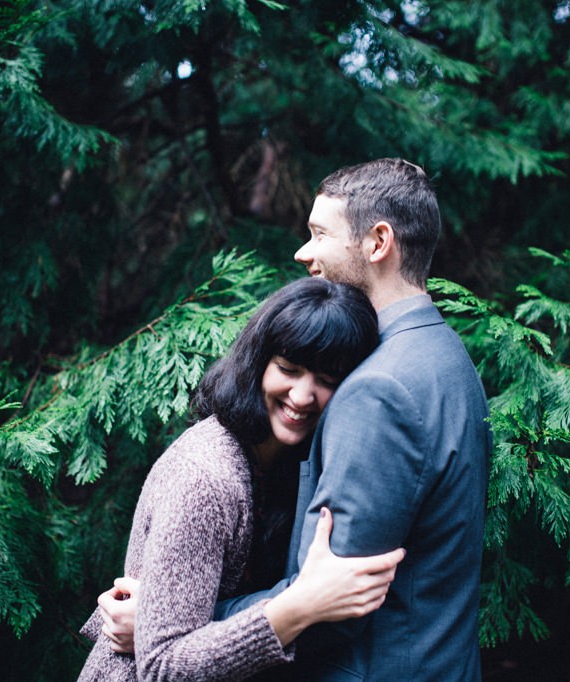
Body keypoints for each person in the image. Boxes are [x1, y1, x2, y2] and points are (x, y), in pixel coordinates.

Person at [101, 158, 491, 681]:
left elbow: (327, 607)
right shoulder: (445, 357)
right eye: (288, 368)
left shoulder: (378, 389)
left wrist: (162, 617)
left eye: (319, 234)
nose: (303, 252)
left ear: (378, 243)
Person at [77, 277, 406, 682]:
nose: (303, 396)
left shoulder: (290, 461)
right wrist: (300, 607)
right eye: (289, 369)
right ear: (257, 363)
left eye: (328, 379)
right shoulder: (204, 477)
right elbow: (162, 666)